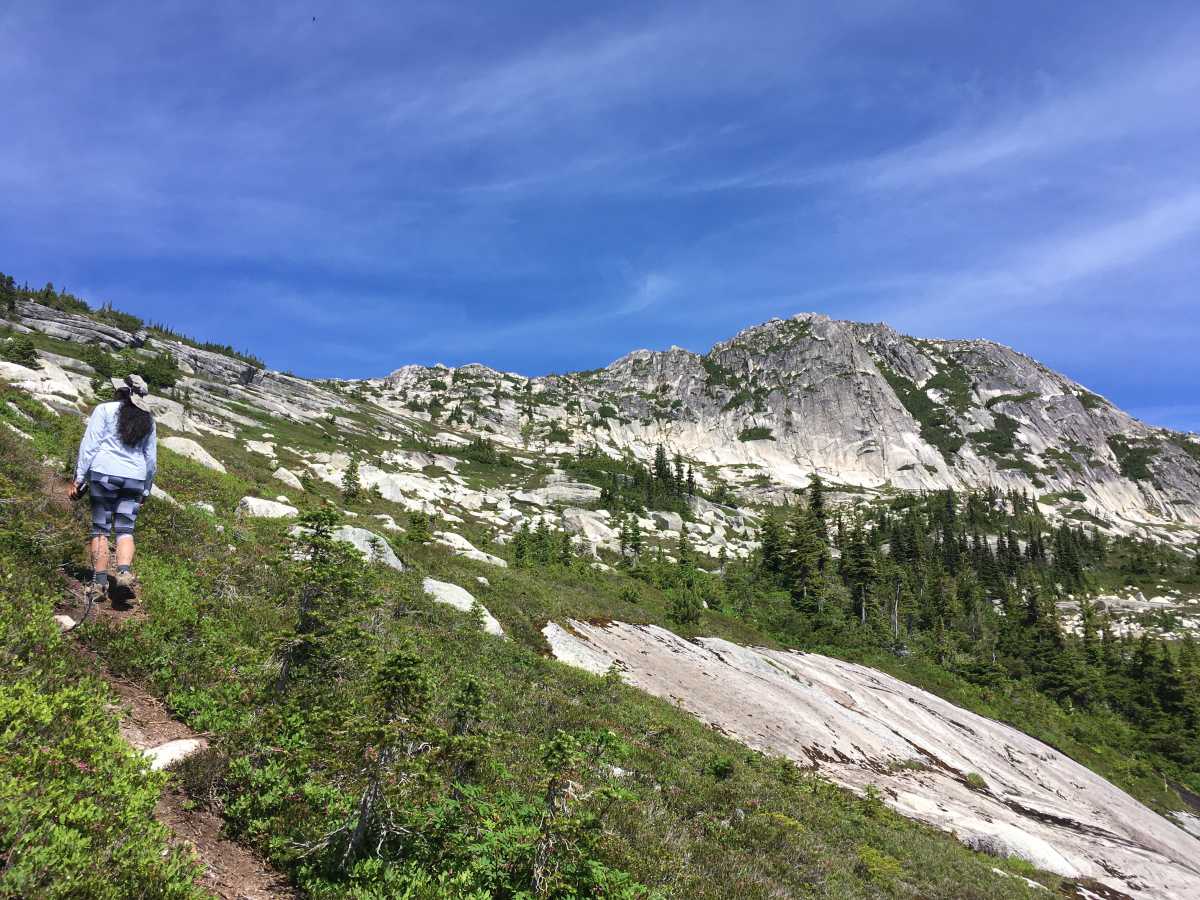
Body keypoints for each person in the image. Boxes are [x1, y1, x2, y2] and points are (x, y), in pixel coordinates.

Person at [69, 374, 157, 604]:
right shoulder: (148, 420)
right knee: (126, 530)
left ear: (121, 392)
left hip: (104, 473)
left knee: (100, 529)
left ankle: (99, 585)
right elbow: (151, 460)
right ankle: (124, 572)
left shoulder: (105, 410)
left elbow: (90, 445)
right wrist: (146, 489)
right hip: (135, 478)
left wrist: (79, 478)